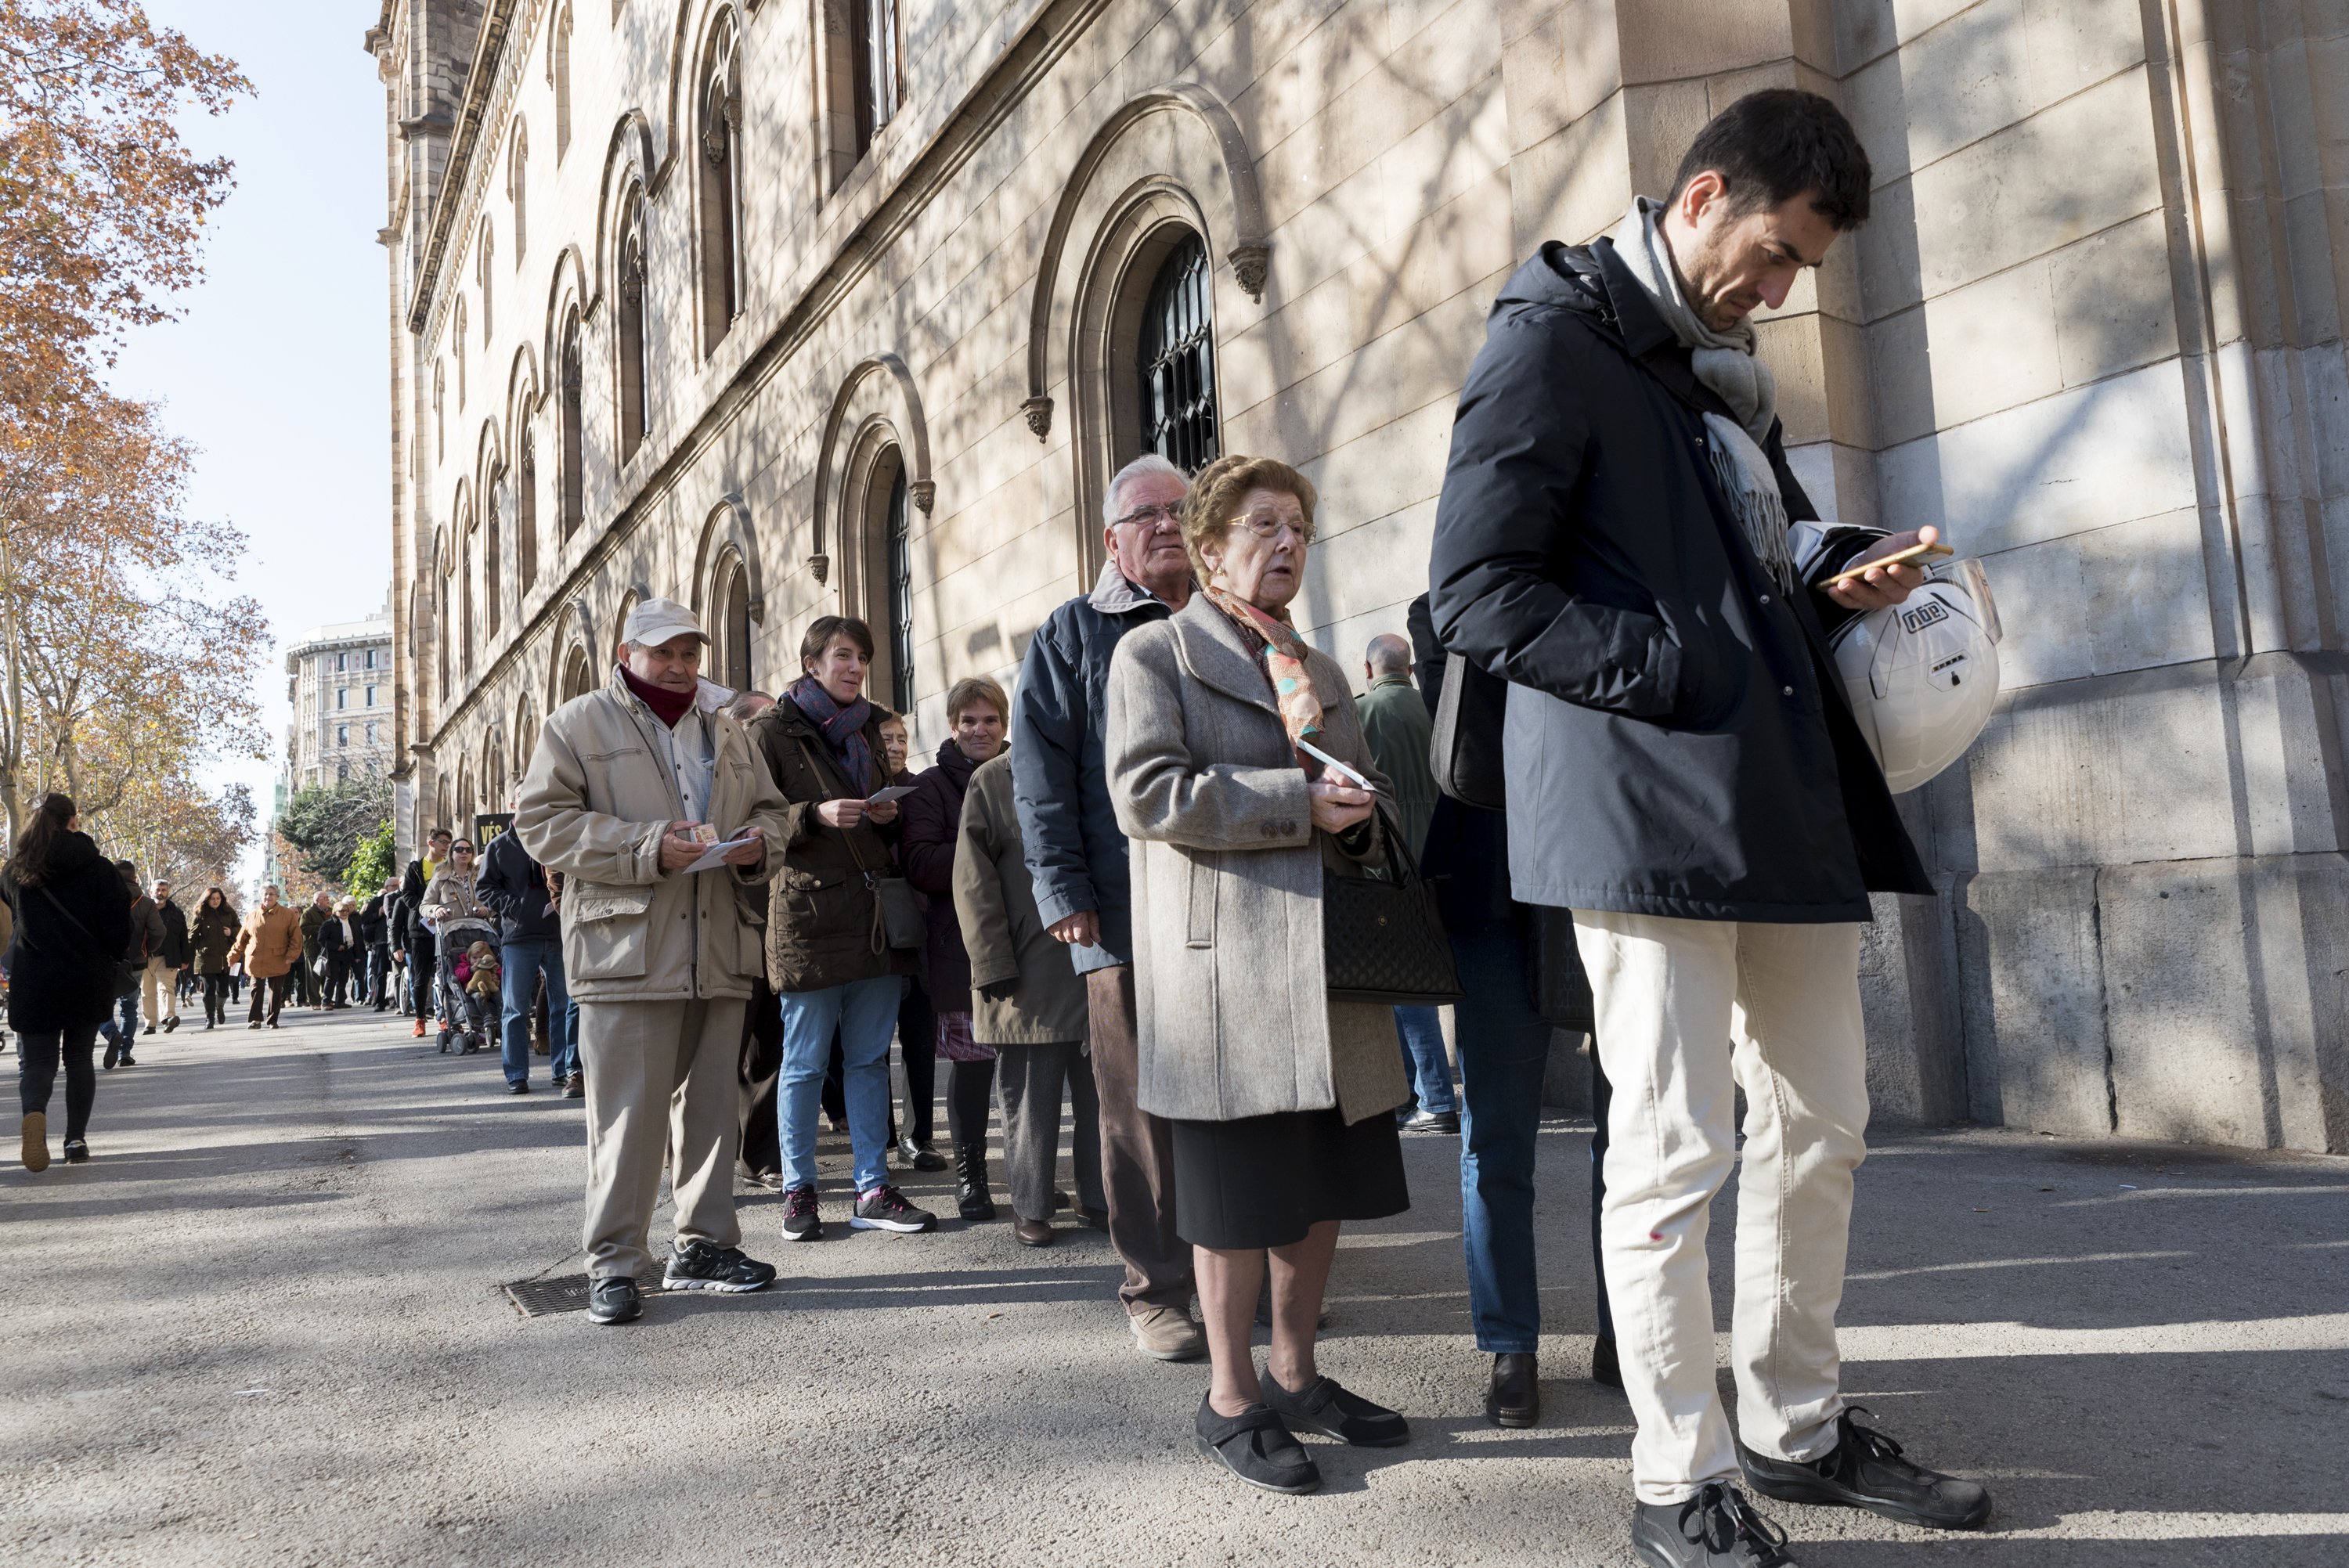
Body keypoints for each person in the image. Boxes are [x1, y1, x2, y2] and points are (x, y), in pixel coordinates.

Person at [1429, 90, 1990, 1566]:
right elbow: (1480, 593)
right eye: (1775, 252)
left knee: (1823, 1122)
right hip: (1638, 808)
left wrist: (1823, 590)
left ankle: (1795, 1428)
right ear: (1705, 193)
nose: (1781, 290)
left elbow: (1741, 572)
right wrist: (1680, 664)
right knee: (1675, 1146)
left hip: (1772, 797)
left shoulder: (1719, 381)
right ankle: (1678, 1474)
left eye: (1802, 270)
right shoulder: (1551, 338)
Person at [1107, 453, 1414, 1494]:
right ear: (1210, 548)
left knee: (1321, 1178)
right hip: (1225, 970)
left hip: (1326, 967)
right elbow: (1147, 791)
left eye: (1299, 528)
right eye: (1264, 527)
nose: (1287, 544)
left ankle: (1297, 1370)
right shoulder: (1156, 654)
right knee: (1236, 1193)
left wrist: (1361, 817)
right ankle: (1231, 1393)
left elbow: (1356, 791)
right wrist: (1293, 801)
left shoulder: (1323, 672)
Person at [514, 595, 788, 1325]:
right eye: (662, 652)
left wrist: (762, 844)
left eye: (689, 654)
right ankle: (615, 1261)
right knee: (628, 1120)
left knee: (711, 1113)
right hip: (626, 948)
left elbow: (771, 809)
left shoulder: (728, 730)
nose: (678, 666)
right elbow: (541, 823)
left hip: (720, 942)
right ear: (626, 655)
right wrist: (646, 847)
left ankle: (703, 1244)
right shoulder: (577, 723)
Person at [1012, 451, 1203, 1362]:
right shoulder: (1070, 634)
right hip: (1120, 912)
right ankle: (1156, 1287)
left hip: (1229, 905)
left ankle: (1231, 1273)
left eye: (1182, 509)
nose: (1168, 524)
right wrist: (1064, 893)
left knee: (1231, 1101)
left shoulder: (1230, 617)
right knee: (1135, 1111)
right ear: (1111, 539)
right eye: (1147, 515)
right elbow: (1040, 781)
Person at [748, 615, 938, 1244]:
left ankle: (872, 1187)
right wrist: (812, 814)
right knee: (802, 1063)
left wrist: (884, 812)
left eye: (862, 656)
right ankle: (798, 1190)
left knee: (867, 1062)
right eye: (843, 655)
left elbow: (888, 830)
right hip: (807, 916)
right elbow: (752, 821)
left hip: (874, 918)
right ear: (812, 663)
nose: (854, 666)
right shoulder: (772, 732)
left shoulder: (872, 728)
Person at [954, 748, 1102, 1245]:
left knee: (1102, 1095)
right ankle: (1032, 1206)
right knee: (1031, 1099)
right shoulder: (992, 780)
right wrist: (992, 960)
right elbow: (973, 881)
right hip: (1028, 965)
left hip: (1098, 958)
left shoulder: (1093, 763)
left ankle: (1100, 1197)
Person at [899, 674, 1009, 1222]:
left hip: (1027, 944)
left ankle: (1030, 1174)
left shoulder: (1026, 774)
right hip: (958, 948)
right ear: (952, 726)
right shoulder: (930, 787)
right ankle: (971, 1177)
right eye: (969, 720)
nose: (979, 730)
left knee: (1025, 1067)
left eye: (990, 720)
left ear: (1004, 725)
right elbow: (919, 863)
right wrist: (989, 854)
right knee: (972, 1068)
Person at [1355, 634, 1453, 1135]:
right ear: (1410, 670)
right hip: (1440, 860)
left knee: (1402, 990)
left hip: (1385, 869)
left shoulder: (1360, 715)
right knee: (1408, 987)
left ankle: (1435, 1098)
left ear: (1368, 671)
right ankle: (1415, 1093)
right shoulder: (1434, 708)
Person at [3, 794, 133, 1170]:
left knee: (38, 1064)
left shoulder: (13, 871)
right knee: (78, 1059)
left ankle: (34, 1117)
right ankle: (75, 1140)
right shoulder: (99, 868)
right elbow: (116, 929)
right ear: (74, 821)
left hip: (33, 979)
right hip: (85, 976)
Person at [874, 706, 943, 1169]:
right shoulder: (856, 793)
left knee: (920, 1039)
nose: (896, 746)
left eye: (901, 738)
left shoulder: (923, 789)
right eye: (886, 739)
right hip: (873, 935)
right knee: (873, 1042)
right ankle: (877, 1133)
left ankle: (919, 1137)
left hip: (920, 933)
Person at [478, 794, 576, 1097]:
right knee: (515, 1010)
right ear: (511, 805)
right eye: (522, 797)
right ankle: (517, 1075)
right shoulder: (499, 846)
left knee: (566, 1005)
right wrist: (515, 907)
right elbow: (485, 888)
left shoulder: (553, 838)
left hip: (558, 934)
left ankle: (565, 1070)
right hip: (519, 938)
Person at [420, 840, 499, 1055]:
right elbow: (424, 905)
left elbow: (491, 901)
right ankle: (452, 1023)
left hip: (477, 935)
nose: (464, 853)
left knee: (489, 973)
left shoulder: (479, 876)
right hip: (450, 935)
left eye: (468, 850)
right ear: (452, 853)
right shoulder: (441, 876)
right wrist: (436, 909)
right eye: (459, 849)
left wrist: (486, 910)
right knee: (449, 978)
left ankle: (489, 1018)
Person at [100, 861, 155, 1068]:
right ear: (135, 878)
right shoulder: (146, 903)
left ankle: (112, 1034)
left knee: (101, 1005)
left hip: (107, 962)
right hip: (136, 963)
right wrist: (146, 950)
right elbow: (159, 932)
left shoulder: (102, 899)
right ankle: (125, 1053)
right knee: (129, 1008)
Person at [399, 828, 453, 1037]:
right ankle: (420, 1019)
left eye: (449, 842)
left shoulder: (448, 867)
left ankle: (446, 1017)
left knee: (447, 975)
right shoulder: (415, 868)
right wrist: (427, 912)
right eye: (443, 842)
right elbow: (408, 896)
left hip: (446, 926)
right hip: (421, 929)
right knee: (421, 977)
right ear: (431, 843)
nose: (446, 846)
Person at [229, 885, 305, 1029]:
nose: (268, 897)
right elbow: (242, 939)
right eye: (265, 894)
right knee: (256, 989)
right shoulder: (252, 916)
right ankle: (255, 1019)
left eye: (271, 894)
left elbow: (296, 937)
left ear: (277, 897)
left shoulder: (287, 915)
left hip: (278, 957)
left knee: (276, 990)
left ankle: (272, 1019)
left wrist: (291, 955)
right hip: (256, 958)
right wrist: (233, 955)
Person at [190, 886, 240, 1030]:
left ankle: (220, 1007)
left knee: (224, 991)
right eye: (212, 898)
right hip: (206, 959)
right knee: (209, 990)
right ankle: (209, 1017)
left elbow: (241, 930)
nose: (215, 901)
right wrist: (186, 956)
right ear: (207, 899)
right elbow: (192, 937)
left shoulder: (228, 912)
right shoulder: (200, 914)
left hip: (226, 958)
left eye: (218, 898)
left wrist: (231, 931)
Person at [144, 878, 189, 1035]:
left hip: (168, 957)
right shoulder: (143, 910)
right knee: (147, 992)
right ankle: (150, 1024)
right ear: (151, 892)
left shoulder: (177, 913)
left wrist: (185, 959)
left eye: (163, 890)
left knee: (166, 987)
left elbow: (184, 936)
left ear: (168, 892)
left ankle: (168, 1018)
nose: (160, 893)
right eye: (157, 890)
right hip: (146, 956)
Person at [317, 896, 360, 1008]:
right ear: (335, 912)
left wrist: (357, 955)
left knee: (343, 979)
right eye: (341, 911)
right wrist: (336, 946)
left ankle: (340, 1001)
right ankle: (326, 1001)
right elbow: (321, 940)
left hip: (347, 955)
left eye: (346, 910)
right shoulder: (328, 924)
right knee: (331, 979)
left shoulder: (351, 923)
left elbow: (356, 939)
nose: (344, 913)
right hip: (333, 956)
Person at [360, 881, 395, 1011]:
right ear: (387, 888)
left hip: (397, 940)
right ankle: (380, 1001)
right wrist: (378, 914)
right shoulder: (376, 902)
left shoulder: (401, 898)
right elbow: (365, 919)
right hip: (381, 941)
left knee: (397, 973)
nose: (396, 888)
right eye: (394, 885)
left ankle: (397, 1001)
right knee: (381, 973)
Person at [298, 890, 332, 1010]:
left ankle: (327, 999)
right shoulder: (308, 913)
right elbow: (303, 929)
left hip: (327, 948)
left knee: (327, 973)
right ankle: (314, 1001)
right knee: (314, 975)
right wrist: (322, 928)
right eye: (325, 898)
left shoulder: (329, 912)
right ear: (317, 900)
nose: (328, 899)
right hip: (313, 948)